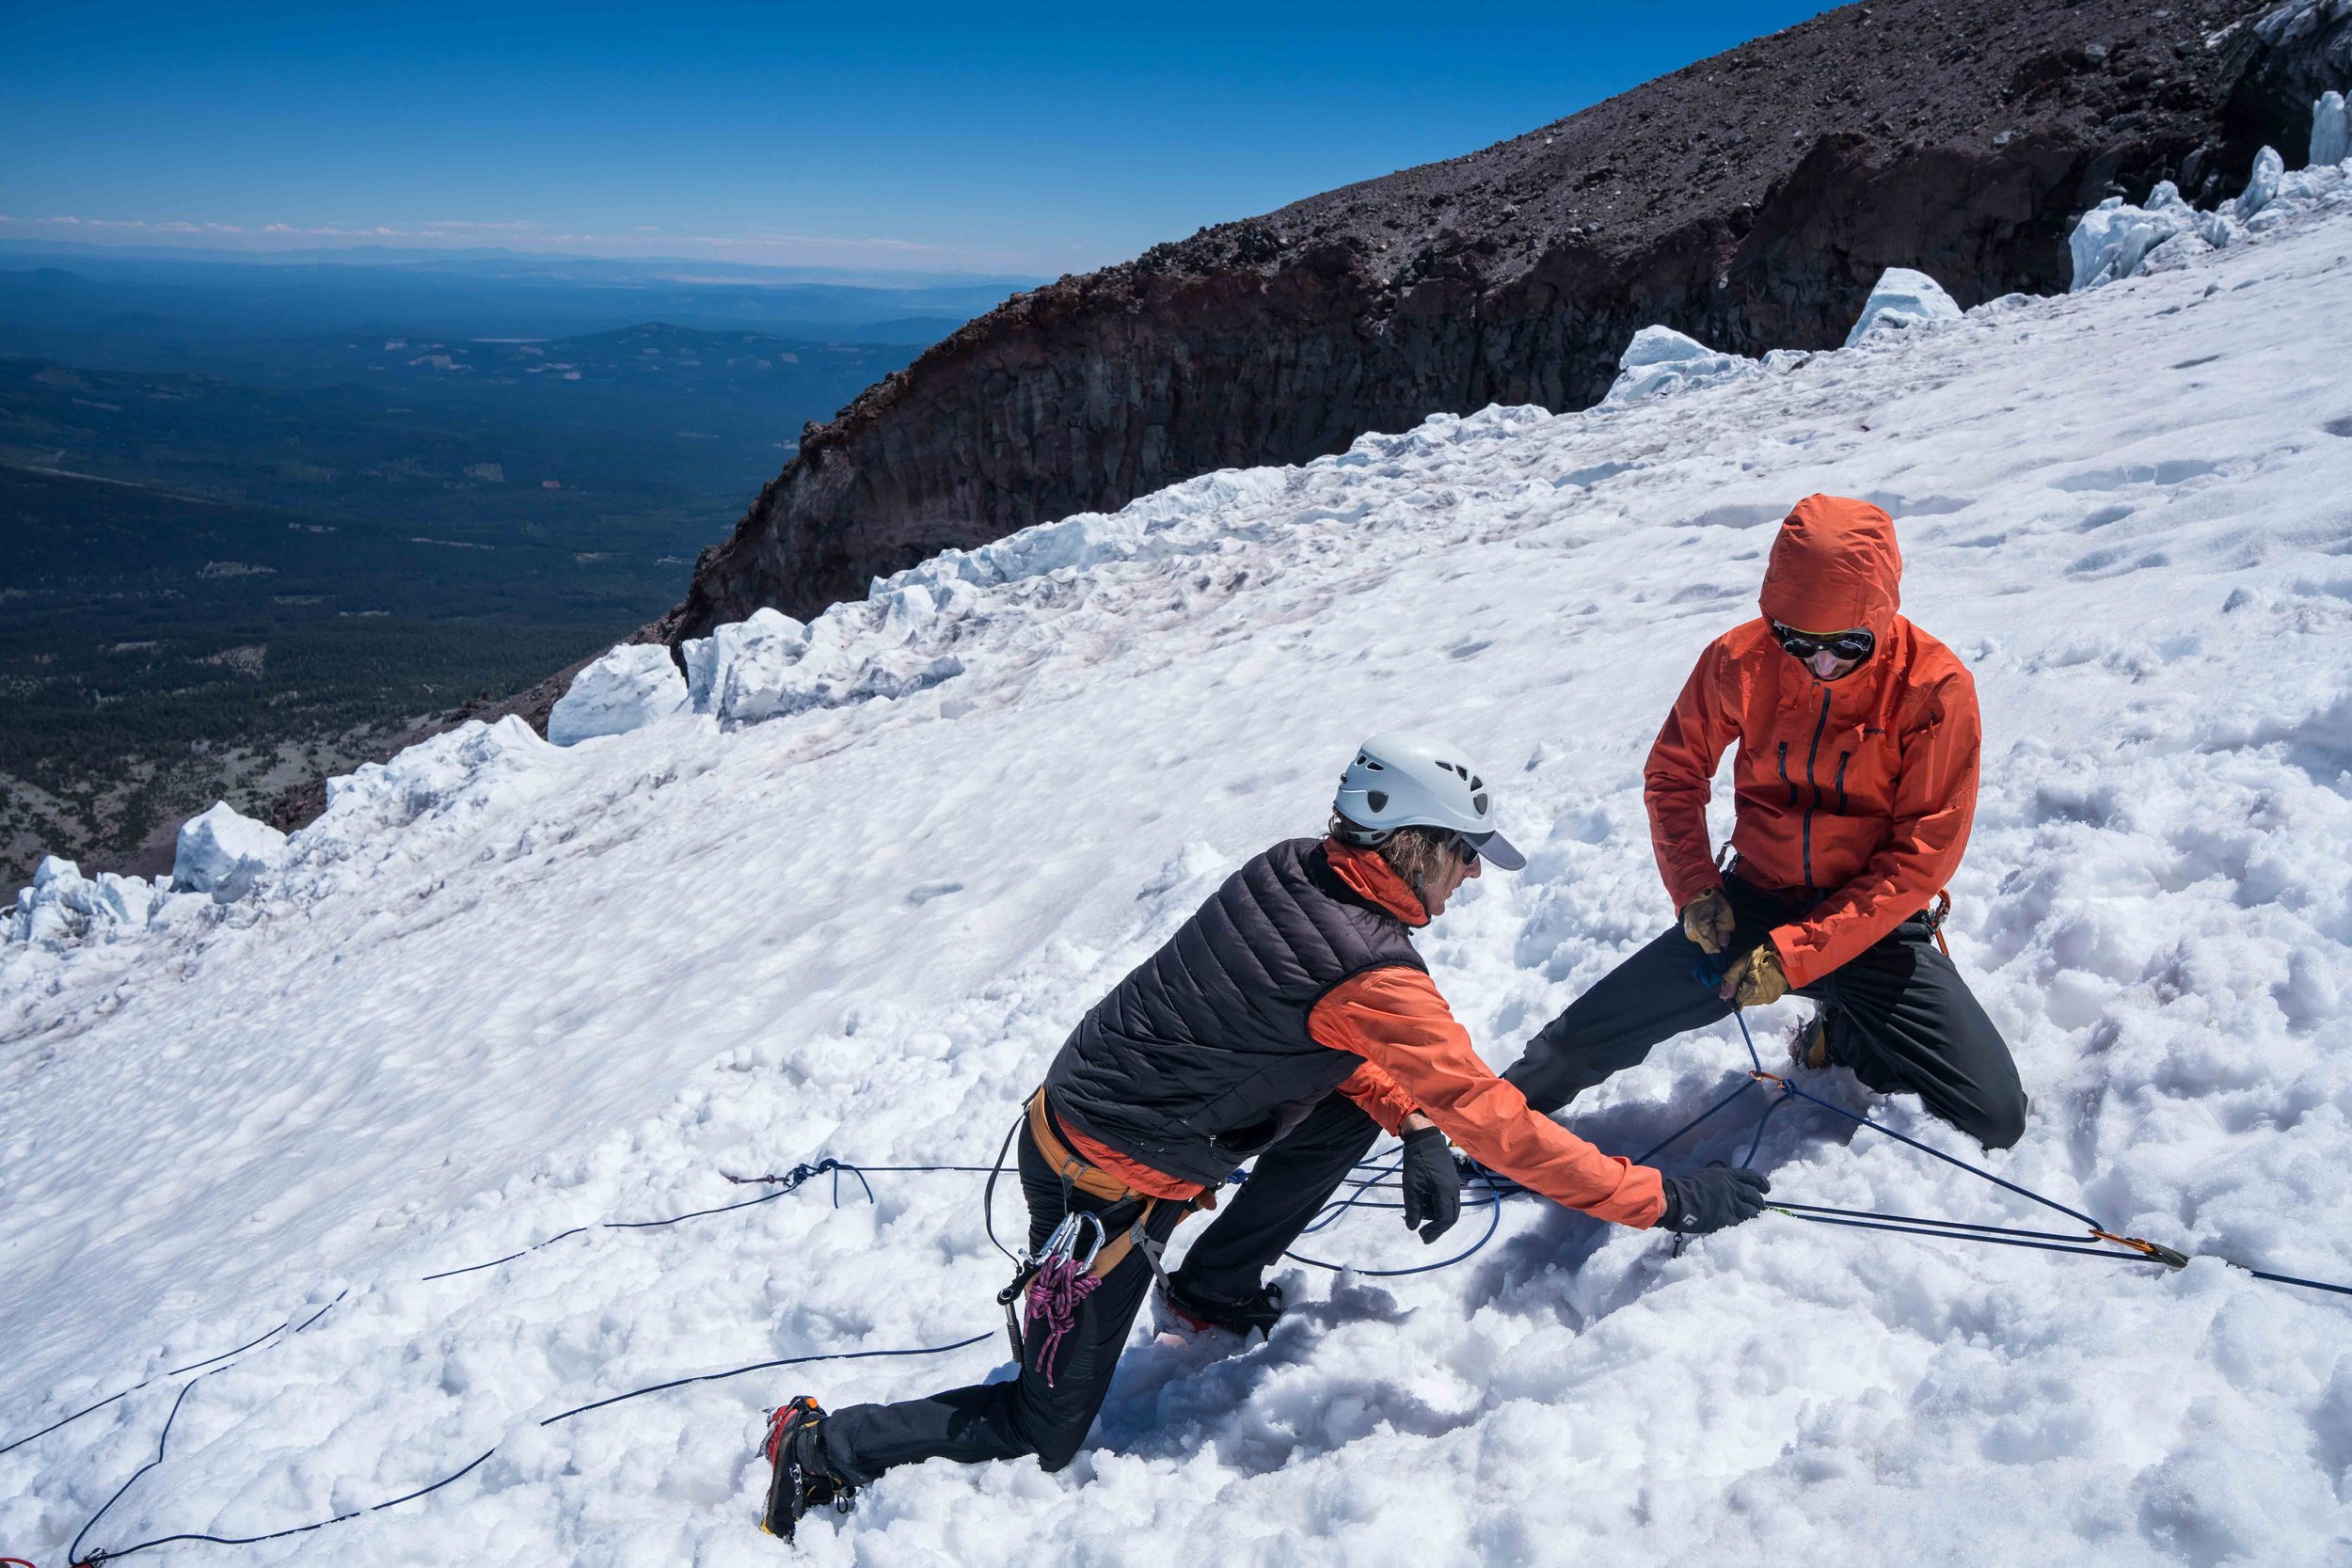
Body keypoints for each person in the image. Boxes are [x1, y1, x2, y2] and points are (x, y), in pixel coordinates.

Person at [759, 733, 1769, 1540]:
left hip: (1105, 1130)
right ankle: (825, 1443)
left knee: (1349, 1095)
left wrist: (1411, 1124)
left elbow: (1325, 1037)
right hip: (1097, 1189)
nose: (1469, 877)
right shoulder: (1371, 969)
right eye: (1464, 853)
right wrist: (1663, 1200)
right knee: (1043, 1429)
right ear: (1416, 844)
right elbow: (1500, 1127)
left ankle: (1209, 1289)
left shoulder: (1294, 868)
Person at [1503, 494, 2027, 1151]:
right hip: (1752, 908)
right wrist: (1696, 887)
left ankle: (1844, 1034)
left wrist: (1799, 954)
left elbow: (1921, 853)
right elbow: (1674, 773)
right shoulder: (1739, 660)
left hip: (1871, 928)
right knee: (1584, 1035)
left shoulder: (1933, 687)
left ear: (1883, 615)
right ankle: (1480, 1121)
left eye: (1847, 645)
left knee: (1995, 1115)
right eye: (1800, 642)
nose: (1822, 664)